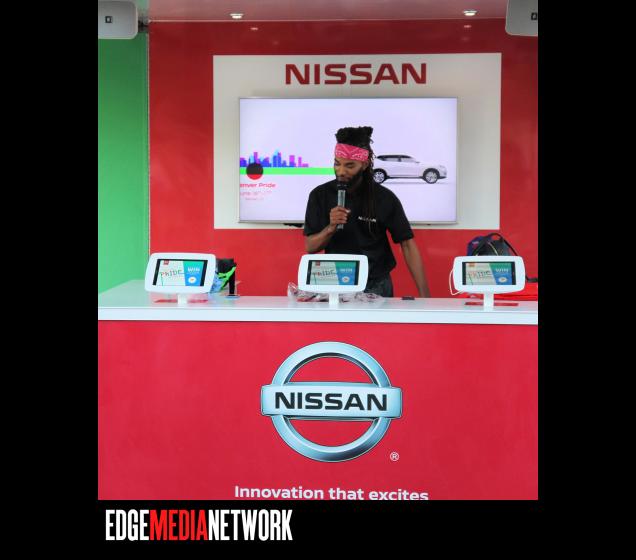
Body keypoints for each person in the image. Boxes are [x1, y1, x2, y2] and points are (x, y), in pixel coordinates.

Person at [303, 126, 430, 297]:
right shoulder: (320, 195)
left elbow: (407, 244)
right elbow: (310, 246)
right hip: (335, 282)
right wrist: (330, 227)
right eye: (337, 163)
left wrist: (425, 295)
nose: (341, 171)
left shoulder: (384, 197)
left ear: (364, 164)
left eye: (349, 165)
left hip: (376, 284)